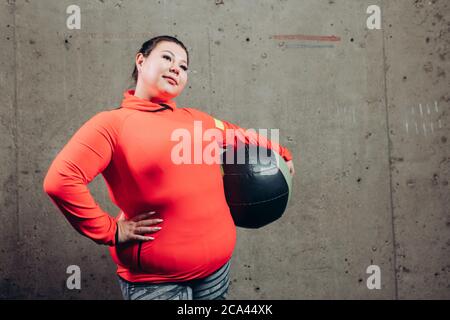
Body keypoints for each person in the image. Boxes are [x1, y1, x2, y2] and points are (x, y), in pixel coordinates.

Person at [43, 35, 295, 300]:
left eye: (184, 66)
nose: (177, 68)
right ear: (141, 61)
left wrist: (281, 152)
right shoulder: (111, 125)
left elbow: (237, 134)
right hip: (156, 282)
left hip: (216, 273)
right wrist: (110, 230)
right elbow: (60, 181)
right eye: (167, 57)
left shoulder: (197, 120)